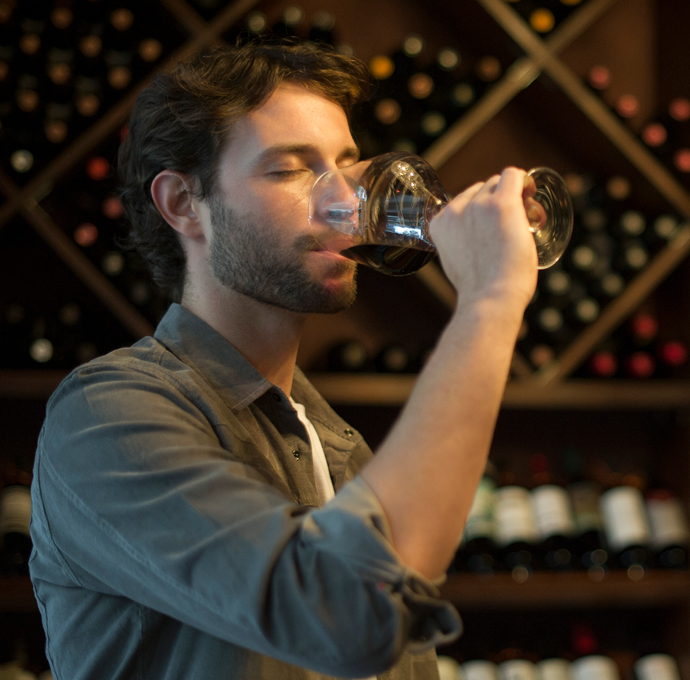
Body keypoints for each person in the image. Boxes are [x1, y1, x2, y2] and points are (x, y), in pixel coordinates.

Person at [28, 41, 538, 679]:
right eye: (291, 169)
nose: (344, 203)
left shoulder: (343, 449)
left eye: (348, 165)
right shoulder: (107, 416)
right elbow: (342, 613)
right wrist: (490, 301)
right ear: (184, 204)